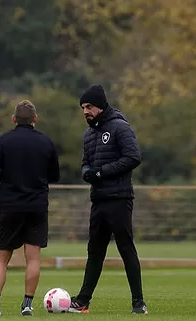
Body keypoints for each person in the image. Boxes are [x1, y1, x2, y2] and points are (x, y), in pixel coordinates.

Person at [68, 84, 147, 315]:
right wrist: (86, 173)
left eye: (89, 106)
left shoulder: (120, 127)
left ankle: (138, 303)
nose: (85, 111)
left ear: (101, 106)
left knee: (126, 249)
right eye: (83, 107)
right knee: (94, 251)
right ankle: (82, 301)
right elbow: (85, 163)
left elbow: (133, 157)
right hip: (99, 200)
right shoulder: (89, 133)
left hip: (119, 198)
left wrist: (101, 172)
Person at [0, 100, 60, 316]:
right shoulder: (45, 142)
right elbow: (54, 175)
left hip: (9, 205)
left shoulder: (4, 141)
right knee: (33, 257)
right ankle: (27, 304)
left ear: (14, 119)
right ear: (35, 119)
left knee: (2, 258)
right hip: (36, 206)